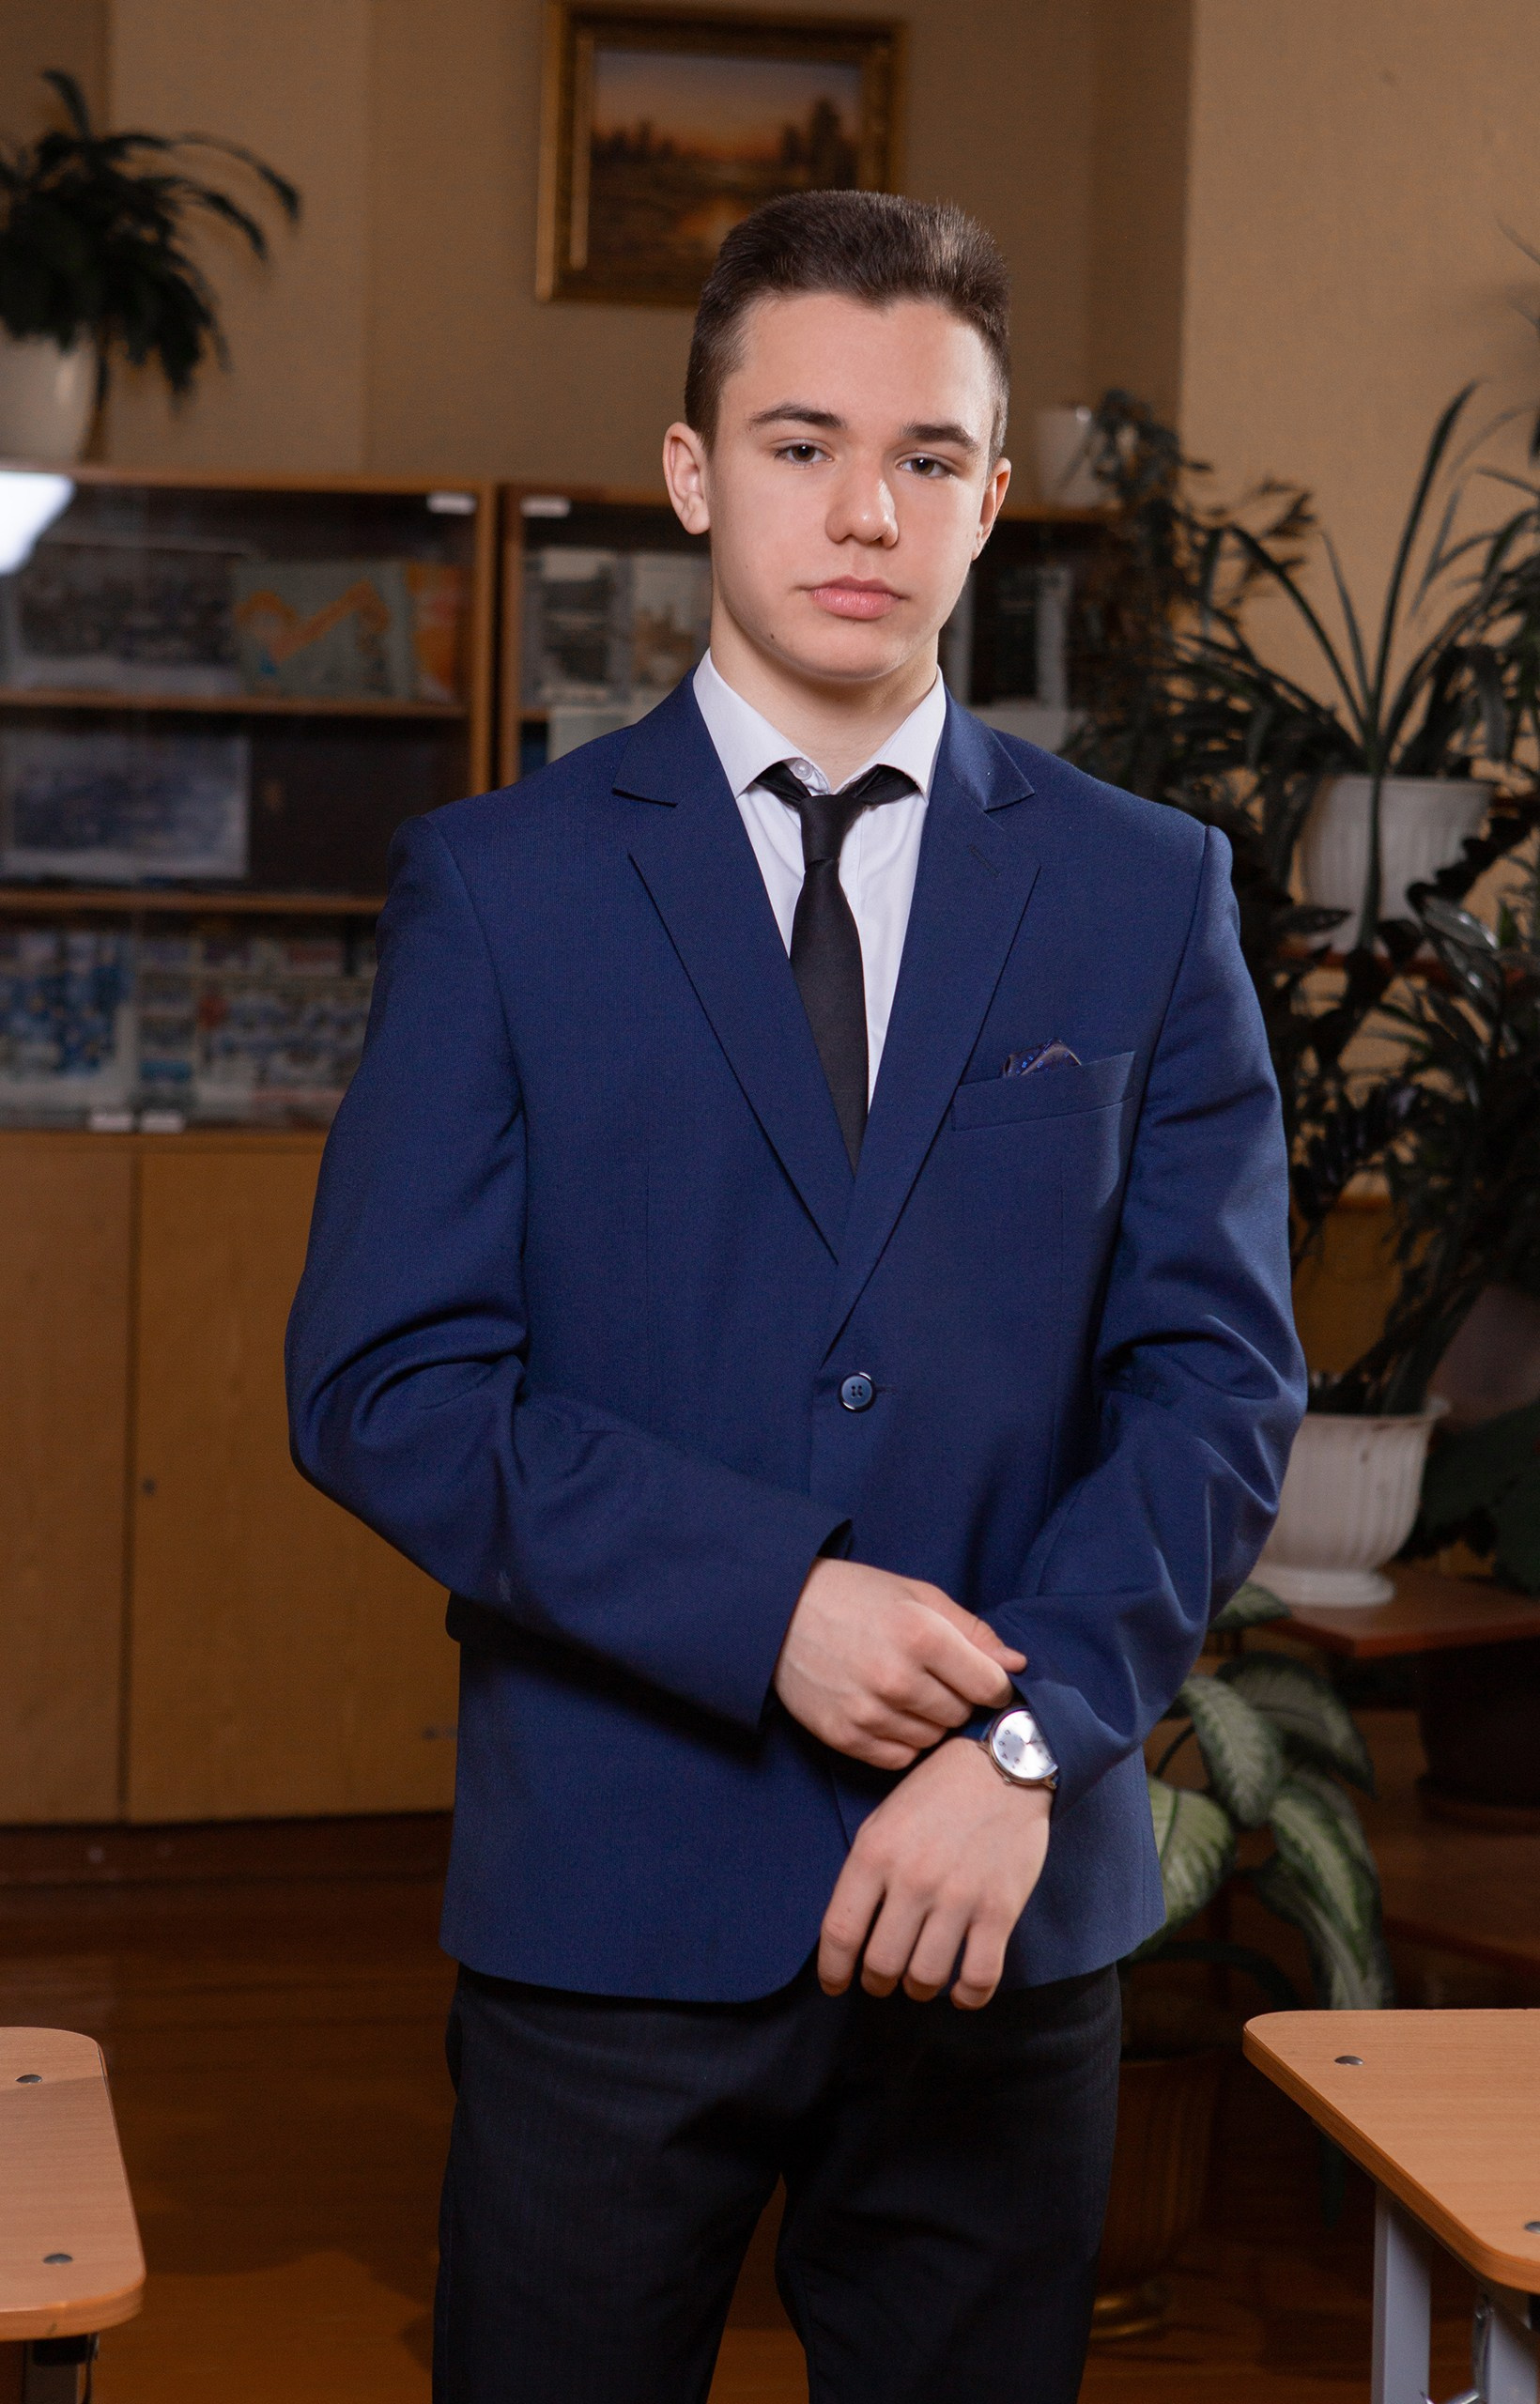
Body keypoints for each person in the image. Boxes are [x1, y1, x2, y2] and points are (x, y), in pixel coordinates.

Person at [285, 189, 1304, 2404]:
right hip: (611, 1896)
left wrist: (1028, 1736)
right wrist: (769, 1606)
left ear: (991, 497)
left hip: (999, 1890)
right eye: (800, 443)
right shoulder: (503, 886)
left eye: (926, 456)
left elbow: (1217, 1387)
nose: (866, 511)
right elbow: (385, 1379)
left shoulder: (1145, 892)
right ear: (690, 472)